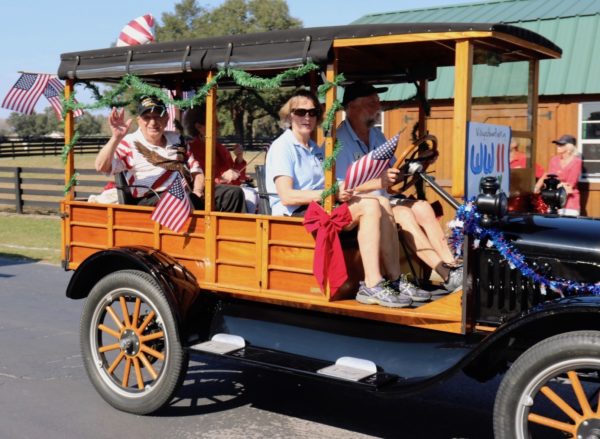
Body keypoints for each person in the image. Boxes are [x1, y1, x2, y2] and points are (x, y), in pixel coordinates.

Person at [266, 89, 430, 308]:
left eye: (313, 112)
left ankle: (395, 279)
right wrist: (331, 193)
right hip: (297, 215)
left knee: (380, 201)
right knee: (370, 205)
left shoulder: (314, 148)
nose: (307, 117)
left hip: (320, 206)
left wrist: (347, 188)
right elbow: (287, 196)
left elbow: (328, 186)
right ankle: (372, 283)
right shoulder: (282, 147)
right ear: (289, 115)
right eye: (300, 112)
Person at [335, 82, 462, 292]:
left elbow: (394, 170)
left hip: (384, 197)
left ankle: (452, 265)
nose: (378, 107)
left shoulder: (376, 135)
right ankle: (443, 272)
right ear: (351, 107)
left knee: (422, 206)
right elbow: (342, 188)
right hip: (359, 204)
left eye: (378, 102)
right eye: (371, 103)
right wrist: (380, 182)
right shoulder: (339, 142)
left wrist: (419, 163)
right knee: (403, 213)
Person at [95, 96, 205, 209]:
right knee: (181, 199)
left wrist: (197, 191)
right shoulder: (129, 142)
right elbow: (101, 167)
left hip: (187, 194)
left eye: (157, 116)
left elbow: (196, 171)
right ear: (139, 121)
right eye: (147, 117)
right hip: (150, 199)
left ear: (166, 119)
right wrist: (115, 137)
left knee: (222, 194)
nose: (153, 122)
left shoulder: (178, 139)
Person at [183, 107, 257, 213]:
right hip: (209, 195)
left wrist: (239, 158)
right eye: (213, 122)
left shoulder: (220, 148)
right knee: (248, 195)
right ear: (199, 127)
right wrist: (222, 178)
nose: (218, 125)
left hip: (229, 191)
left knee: (256, 194)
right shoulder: (192, 149)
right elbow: (197, 180)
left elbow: (236, 178)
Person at [534, 134, 583, 216]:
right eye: (557, 144)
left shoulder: (576, 162)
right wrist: (537, 187)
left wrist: (554, 186)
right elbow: (549, 177)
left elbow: (570, 185)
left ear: (569, 147)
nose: (557, 146)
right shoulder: (554, 160)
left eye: (561, 144)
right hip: (553, 201)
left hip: (570, 204)